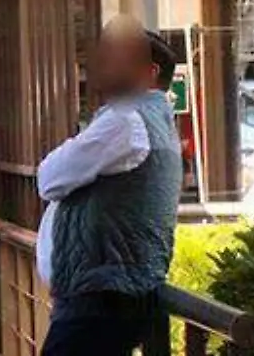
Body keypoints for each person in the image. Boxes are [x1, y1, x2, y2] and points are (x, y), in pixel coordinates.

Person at [36, 18, 182, 356]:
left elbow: (48, 178)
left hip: (98, 301)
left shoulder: (125, 120)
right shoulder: (157, 123)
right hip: (114, 294)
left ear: (149, 72)